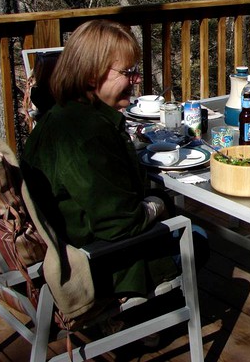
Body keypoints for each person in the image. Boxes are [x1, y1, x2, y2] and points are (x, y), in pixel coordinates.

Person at [21, 19, 208, 303]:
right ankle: (140, 313)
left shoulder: (58, 116)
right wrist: (161, 203)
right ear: (91, 75)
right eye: (127, 72)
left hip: (69, 239)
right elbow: (120, 225)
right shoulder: (88, 135)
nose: (135, 80)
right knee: (198, 237)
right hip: (101, 262)